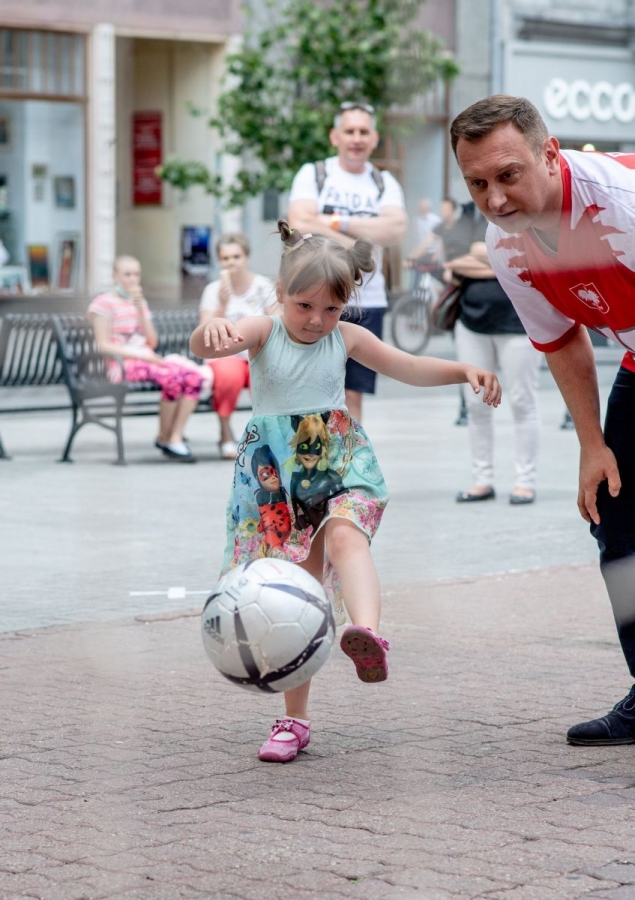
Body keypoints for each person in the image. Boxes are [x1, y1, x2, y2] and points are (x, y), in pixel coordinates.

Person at [190, 220, 501, 763]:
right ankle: (294, 719)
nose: (317, 320)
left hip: (337, 459)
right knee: (299, 592)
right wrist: (210, 329)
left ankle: (366, 634)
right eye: (304, 306)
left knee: (346, 539)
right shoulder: (263, 329)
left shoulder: (346, 338)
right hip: (277, 475)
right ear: (281, 293)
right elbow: (210, 347)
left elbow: (407, 366)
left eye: (331, 308)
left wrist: (462, 370)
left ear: (346, 304)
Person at [451, 93, 635, 745]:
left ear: (549, 155)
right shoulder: (506, 244)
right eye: (477, 184)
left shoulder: (621, 205)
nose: (495, 199)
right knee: (615, 519)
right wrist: (591, 445)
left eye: (508, 175)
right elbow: (560, 340)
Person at [287, 101, 407, 423]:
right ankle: (310, 449)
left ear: (374, 138)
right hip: (315, 298)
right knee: (310, 385)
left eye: (363, 132)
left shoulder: (384, 182)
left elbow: (395, 229)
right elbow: (300, 221)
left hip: (367, 300)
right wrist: (356, 244)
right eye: (349, 131)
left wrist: (335, 221)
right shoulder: (314, 174)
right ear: (335, 136)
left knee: (353, 392)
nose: (356, 138)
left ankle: (351, 451)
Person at [444, 241, 541, 504]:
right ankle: (482, 479)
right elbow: (452, 265)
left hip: (520, 325)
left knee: (523, 402)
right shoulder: (475, 223)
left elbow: (533, 265)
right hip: (471, 324)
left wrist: (482, 262)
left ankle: (525, 481)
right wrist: (504, 268)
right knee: (476, 404)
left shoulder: (526, 228)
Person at [88, 255, 203, 462]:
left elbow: (152, 341)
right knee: (172, 379)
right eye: (127, 274)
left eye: (136, 274)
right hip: (120, 366)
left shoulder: (139, 302)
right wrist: (141, 355)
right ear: (114, 276)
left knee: (194, 377)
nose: (133, 279)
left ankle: (174, 436)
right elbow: (103, 345)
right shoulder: (103, 303)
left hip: (147, 359)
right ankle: (165, 438)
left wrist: (140, 309)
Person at [199, 233, 276, 459]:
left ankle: (268, 435)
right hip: (225, 354)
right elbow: (204, 330)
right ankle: (225, 434)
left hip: (258, 353)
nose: (231, 263)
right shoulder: (213, 290)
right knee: (228, 377)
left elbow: (276, 319)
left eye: (236, 257)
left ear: (246, 258)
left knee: (268, 378)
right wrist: (222, 304)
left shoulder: (262, 286)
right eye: (226, 258)